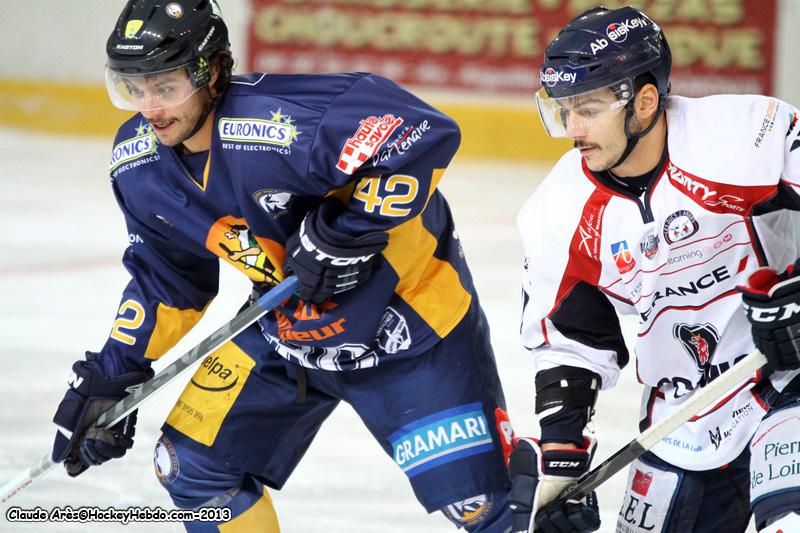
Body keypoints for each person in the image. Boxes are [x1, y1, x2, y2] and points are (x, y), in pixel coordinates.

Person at [49, 1, 514, 530]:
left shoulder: (286, 121)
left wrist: (343, 233)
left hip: (410, 332)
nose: (149, 108)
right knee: (191, 468)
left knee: (487, 508)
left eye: (166, 86)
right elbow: (167, 280)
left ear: (212, 73)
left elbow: (422, 131)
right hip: (287, 333)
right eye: (134, 88)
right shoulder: (140, 166)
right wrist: (115, 372)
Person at [510, 5, 800, 533]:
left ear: (643, 102)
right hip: (684, 416)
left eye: (587, 109)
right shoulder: (558, 210)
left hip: (788, 378)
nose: (572, 128)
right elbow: (570, 342)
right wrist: (561, 463)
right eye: (563, 110)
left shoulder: (750, 138)